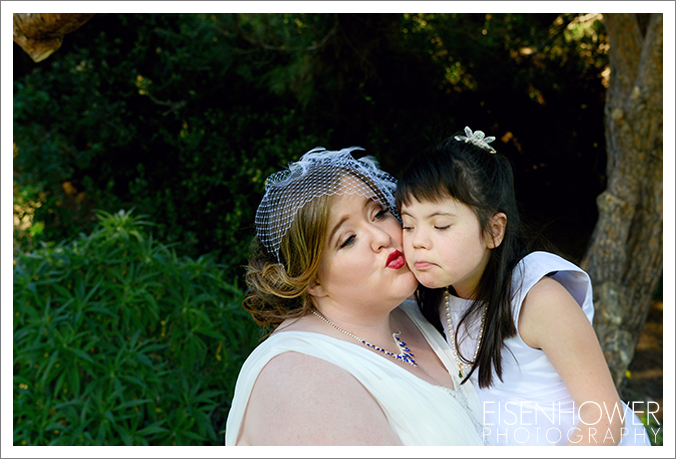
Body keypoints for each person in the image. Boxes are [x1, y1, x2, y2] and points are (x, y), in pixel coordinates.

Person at [395, 127, 651, 446]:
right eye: (408, 225)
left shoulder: (537, 300)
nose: (418, 241)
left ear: (494, 231)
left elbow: (605, 417)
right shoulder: (431, 299)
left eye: (440, 225)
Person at [224, 147, 487, 446]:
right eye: (348, 239)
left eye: (379, 213)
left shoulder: (421, 309)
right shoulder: (300, 378)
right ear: (312, 280)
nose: (382, 237)